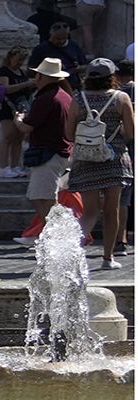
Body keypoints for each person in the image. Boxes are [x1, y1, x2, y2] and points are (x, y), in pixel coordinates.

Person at [65, 58, 131, 269]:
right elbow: (131, 133)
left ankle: (72, 252)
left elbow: (68, 134)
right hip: (114, 158)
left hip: (85, 159)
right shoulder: (121, 98)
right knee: (112, 210)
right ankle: (108, 258)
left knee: (90, 212)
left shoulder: (78, 99)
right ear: (112, 77)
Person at [16, 57, 74, 232]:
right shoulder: (64, 96)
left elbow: (27, 127)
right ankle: (54, 232)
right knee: (42, 195)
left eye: (38, 75)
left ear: (43, 77)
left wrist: (18, 120)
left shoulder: (47, 98)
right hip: (60, 152)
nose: (36, 78)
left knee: (44, 197)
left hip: (49, 153)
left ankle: (56, 234)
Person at [0, 47, 35, 177]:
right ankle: (3, 167)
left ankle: (15, 166)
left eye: (22, 60)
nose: (19, 63)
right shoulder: (3, 71)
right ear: (10, 58)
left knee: (19, 137)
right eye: (18, 60)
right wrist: (26, 84)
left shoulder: (21, 72)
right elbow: (5, 89)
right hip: (8, 107)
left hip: (21, 108)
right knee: (8, 136)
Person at [31, 21, 89, 89]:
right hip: (50, 87)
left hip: (73, 85)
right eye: (58, 39)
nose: (62, 29)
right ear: (50, 32)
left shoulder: (73, 46)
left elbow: (85, 66)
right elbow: (32, 70)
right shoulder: (41, 49)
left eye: (65, 26)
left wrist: (75, 69)